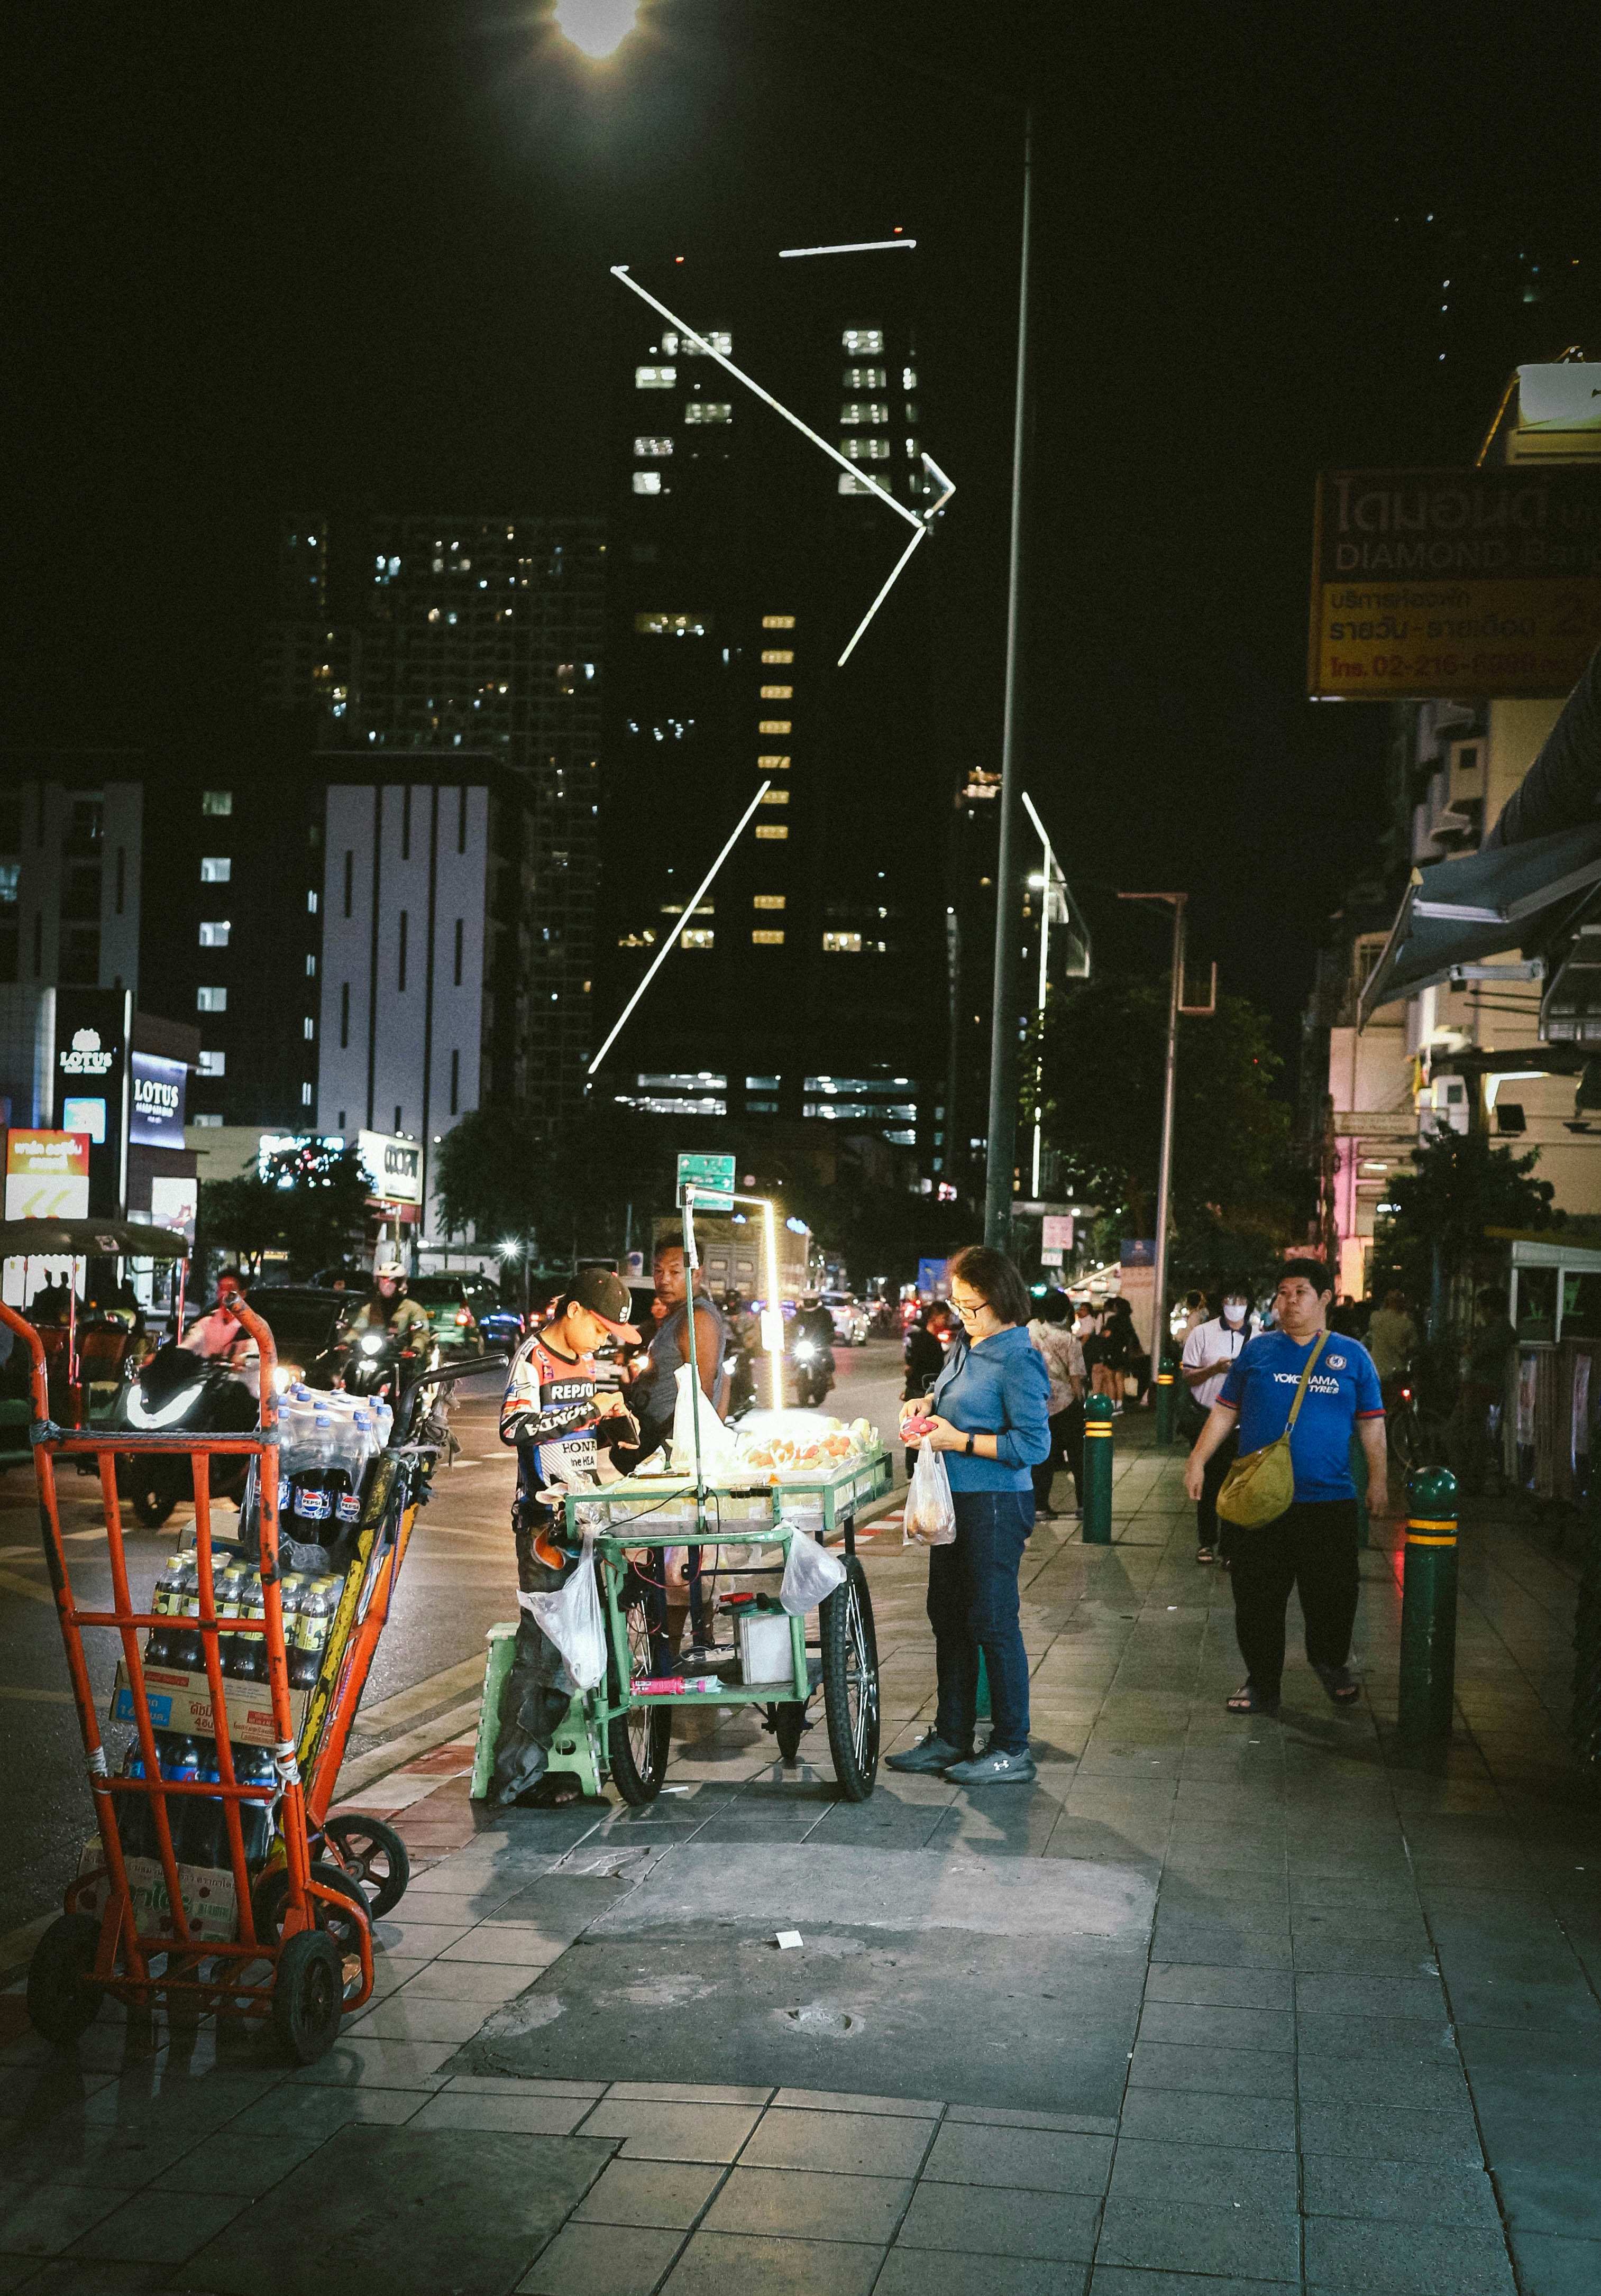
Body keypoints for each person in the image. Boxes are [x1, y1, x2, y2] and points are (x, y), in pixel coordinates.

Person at [1184, 1260, 1387, 1718]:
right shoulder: (1257, 1353)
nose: (1289, 1302)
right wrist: (1197, 1460)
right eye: (1282, 1293)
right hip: (1260, 1500)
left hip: (1329, 1501)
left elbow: (1371, 1425)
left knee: (1333, 1596)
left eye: (1300, 1293)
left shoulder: (1352, 1356)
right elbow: (1223, 1412)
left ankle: (1330, 1663)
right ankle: (1262, 1681)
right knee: (1256, 1599)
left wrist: (1379, 1479)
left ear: (1325, 1299)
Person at [891, 1244, 1050, 1786]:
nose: (962, 1314)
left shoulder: (1018, 1358)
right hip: (952, 1504)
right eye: (957, 1304)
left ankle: (1011, 1746)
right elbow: (948, 1392)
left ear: (1000, 1299)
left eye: (971, 1305)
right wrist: (926, 1403)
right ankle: (951, 1735)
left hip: (996, 1504)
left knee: (992, 1620)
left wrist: (962, 1440)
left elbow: (1033, 1444)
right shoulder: (968, 1343)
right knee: (948, 1615)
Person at [491, 1269, 642, 1805]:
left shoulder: (587, 1360)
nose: (604, 1342)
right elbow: (515, 1428)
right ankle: (516, 1778)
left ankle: (548, 1764)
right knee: (544, 1647)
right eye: (600, 1329)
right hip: (543, 1524)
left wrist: (613, 1425)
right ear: (573, 1312)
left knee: (576, 1641)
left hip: (584, 1515)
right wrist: (586, 1410)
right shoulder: (533, 1358)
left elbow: (579, 1431)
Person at [623, 1241, 728, 1459]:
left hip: (670, 1450)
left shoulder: (697, 1318)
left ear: (696, 1274)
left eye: (675, 1272)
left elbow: (701, 1393)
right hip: (652, 1442)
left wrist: (690, 1453)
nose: (664, 1280)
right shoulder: (676, 1316)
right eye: (658, 1271)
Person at [1179, 1281, 1253, 1564]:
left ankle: (1231, 1549)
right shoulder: (1202, 1333)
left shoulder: (1258, 1337)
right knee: (1208, 1483)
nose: (1235, 1303)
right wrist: (1215, 1369)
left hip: (1241, 1423)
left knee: (1235, 1484)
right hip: (1206, 1418)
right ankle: (1207, 1541)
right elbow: (1189, 1376)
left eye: (1241, 1298)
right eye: (1230, 1298)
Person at [1449, 1285, 1516, 1494]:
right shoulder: (1498, 1330)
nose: (1480, 1312)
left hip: (1482, 1387)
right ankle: (1468, 1477)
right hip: (1479, 1386)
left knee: (1470, 1433)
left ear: (1491, 1309)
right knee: (1466, 1432)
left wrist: (1472, 1350)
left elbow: (1480, 1355)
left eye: (1482, 1308)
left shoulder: (1499, 1331)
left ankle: (1470, 1479)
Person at [1026, 1290, 1084, 1520]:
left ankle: (1040, 1506)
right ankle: (1084, 1506)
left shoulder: (1031, 1334)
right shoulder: (1069, 1340)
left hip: (1038, 1403)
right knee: (1078, 1457)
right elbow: (1076, 1379)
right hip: (1067, 1404)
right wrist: (1081, 1401)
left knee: (1043, 1457)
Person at [902, 1303, 954, 1477]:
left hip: (926, 1392)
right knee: (915, 1434)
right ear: (934, 1316)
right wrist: (910, 1389)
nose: (947, 1321)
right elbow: (912, 1367)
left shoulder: (933, 1339)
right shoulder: (923, 1339)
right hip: (919, 1392)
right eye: (945, 1317)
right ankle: (913, 1472)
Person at [350, 1258, 434, 1354]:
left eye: (392, 1281)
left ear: (400, 1284)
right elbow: (357, 1330)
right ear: (377, 1283)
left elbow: (421, 1334)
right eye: (383, 1281)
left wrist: (416, 1348)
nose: (386, 1285)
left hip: (403, 1358)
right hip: (374, 1355)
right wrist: (346, 1342)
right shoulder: (369, 1309)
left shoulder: (414, 1309)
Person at [1366, 1289, 1418, 1381]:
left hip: (1376, 1369)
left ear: (1387, 1301)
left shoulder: (1375, 1318)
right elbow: (1413, 1347)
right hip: (1397, 1371)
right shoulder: (1408, 1324)